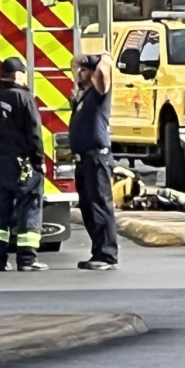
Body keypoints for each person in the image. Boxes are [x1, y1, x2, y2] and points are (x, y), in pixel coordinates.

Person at [0, 56, 48, 272]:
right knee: (30, 205)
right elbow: (34, 132)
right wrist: (39, 161)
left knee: (1, 207)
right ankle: (27, 259)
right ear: (18, 75)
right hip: (24, 161)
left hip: (1, 162)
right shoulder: (24, 98)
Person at [69, 52, 119, 270]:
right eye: (79, 70)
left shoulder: (100, 92)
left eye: (84, 70)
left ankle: (107, 255)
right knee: (88, 208)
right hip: (84, 159)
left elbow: (104, 72)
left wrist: (103, 57)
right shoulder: (84, 96)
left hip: (97, 157)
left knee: (100, 206)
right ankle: (98, 252)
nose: (79, 73)